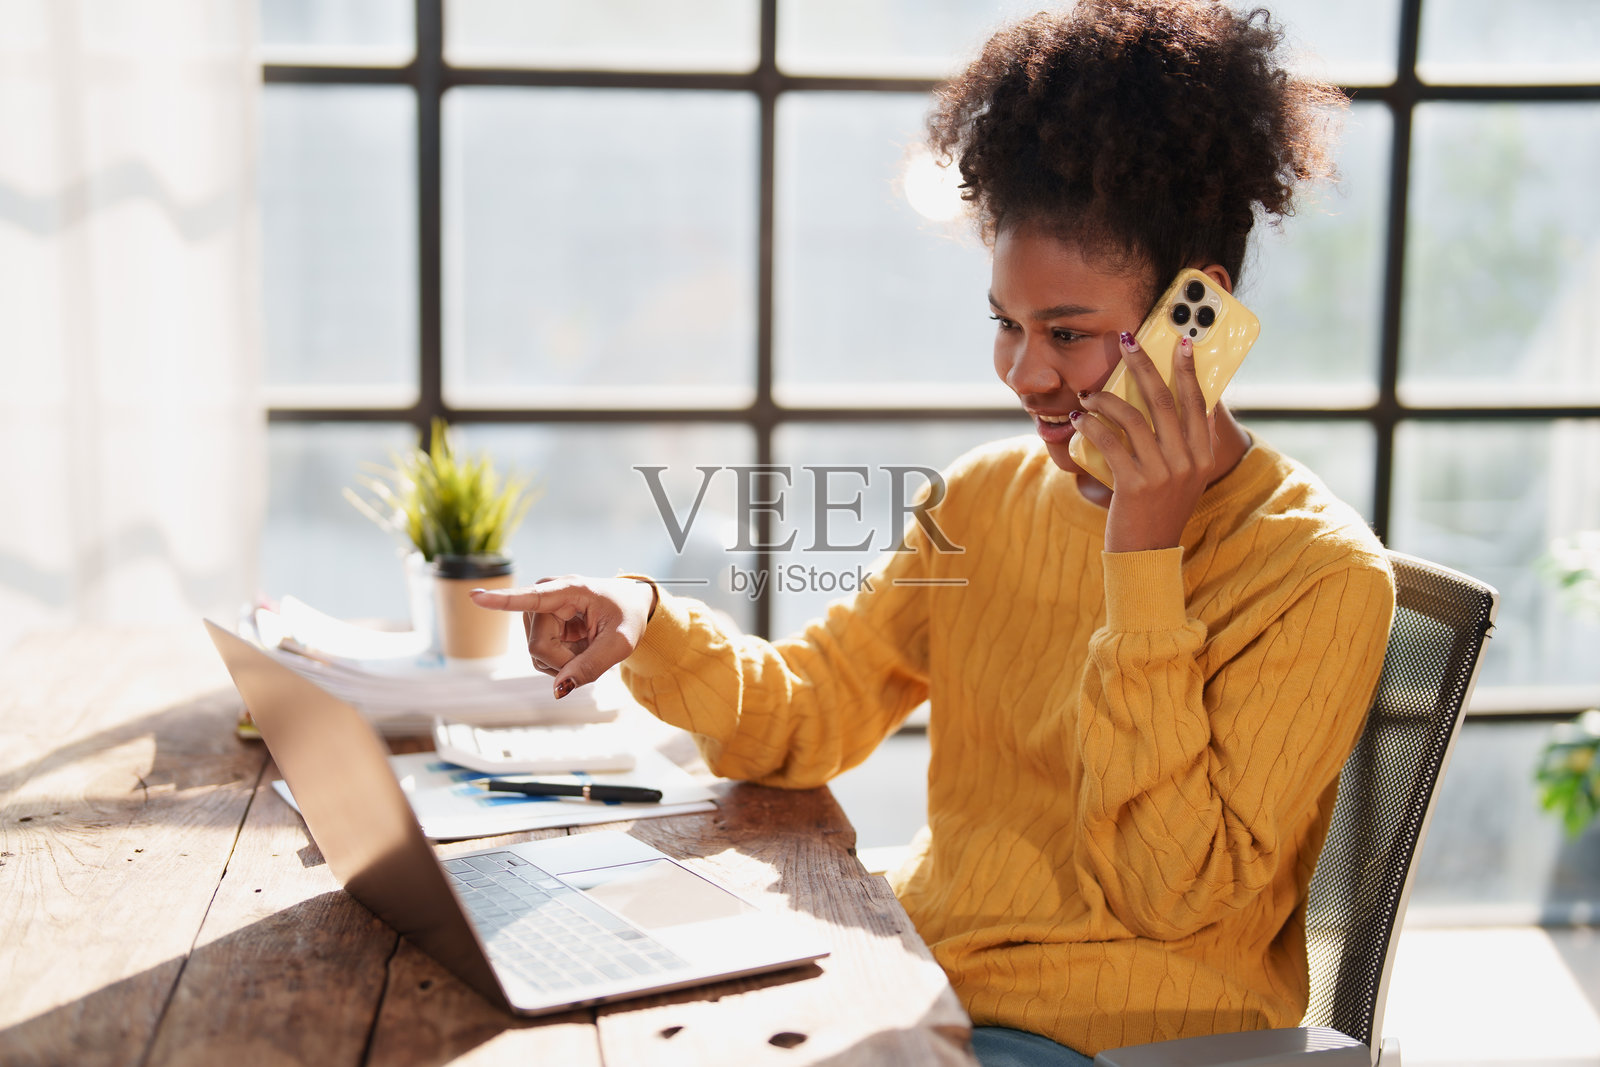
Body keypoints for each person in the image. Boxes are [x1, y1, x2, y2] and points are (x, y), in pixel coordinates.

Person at [471, 2, 1396, 1063]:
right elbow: (812, 711)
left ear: (1196, 318)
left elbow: (1166, 894)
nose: (1024, 374)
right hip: (917, 983)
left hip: (1103, 1042)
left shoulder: (1320, 575)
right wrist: (647, 616)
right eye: (1006, 323)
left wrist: (1144, 559)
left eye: (1067, 333)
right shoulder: (985, 497)